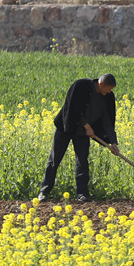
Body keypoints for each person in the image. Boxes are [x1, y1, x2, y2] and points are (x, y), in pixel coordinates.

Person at [38, 74, 120, 203]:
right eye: (108, 89)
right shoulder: (81, 86)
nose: (109, 92)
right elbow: (74, 109)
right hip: (66, 127)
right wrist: (87, 126)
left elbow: (107, 121)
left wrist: (113, 142)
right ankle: (44, 191)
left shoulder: (108, 97)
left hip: (82, 133)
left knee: (82, 161)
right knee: (55, 159)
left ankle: (82, 194)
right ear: (100, 84)